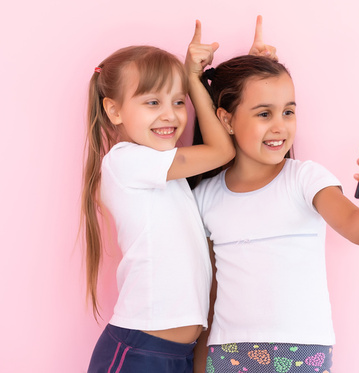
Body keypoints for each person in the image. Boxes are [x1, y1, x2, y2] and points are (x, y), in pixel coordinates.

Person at [191, 55, 359, 373]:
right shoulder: (205, 197)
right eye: (264, 113)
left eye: (288, 111)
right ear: (226, 120)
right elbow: (208, 296)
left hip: (303, 353)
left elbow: (357, 228)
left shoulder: (306, 179)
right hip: (228, 353)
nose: (279, 125)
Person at [81, 20, 234, 372]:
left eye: (178, 101)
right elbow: (221, 151)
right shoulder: (126, 162)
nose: (170, 115)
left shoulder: (167, 174)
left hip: (175, 354)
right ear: (114, 110)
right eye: (152, 102)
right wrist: (194, 81)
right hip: (139, 353)